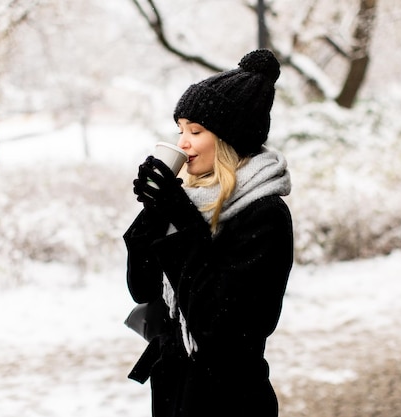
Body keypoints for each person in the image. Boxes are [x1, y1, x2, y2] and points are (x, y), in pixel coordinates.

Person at [123, 49, 293, 417]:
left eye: (195, 131)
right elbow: (143, 288)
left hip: (228, 401)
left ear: (230, 138)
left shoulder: (264, 214)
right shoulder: (189, 199)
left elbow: (222, 328)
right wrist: (153, 215)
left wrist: (182, 219)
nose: (182, 142)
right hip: (174, 391)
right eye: (180, 129)